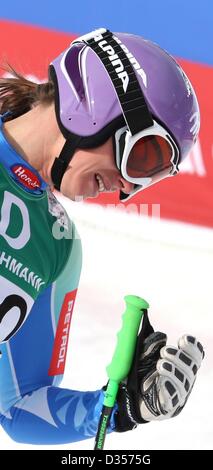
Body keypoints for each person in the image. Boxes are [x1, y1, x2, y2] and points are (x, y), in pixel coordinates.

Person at [0, 28, 204, 445]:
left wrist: (121, 408)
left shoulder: (57, 245)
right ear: (90, 107)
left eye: (151, 176)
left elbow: (18, 406)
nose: (128, 189)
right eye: (143, 156)